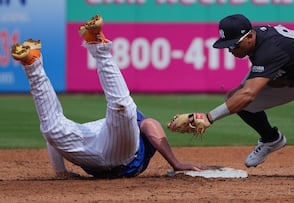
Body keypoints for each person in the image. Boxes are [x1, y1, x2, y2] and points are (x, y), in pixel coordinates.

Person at [10, 14, 204, 179]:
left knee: (53, 129)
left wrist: (61, 172)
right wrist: (176, 163)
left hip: (90, 149)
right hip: (116, 152)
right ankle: (96, 46)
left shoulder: (111, 125)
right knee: (123, 108)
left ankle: (33, 65)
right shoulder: (130, 126)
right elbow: (150, 124)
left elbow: (53, 140)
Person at [170, 14, 294, 178]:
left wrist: (209, 117)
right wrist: (237, 93)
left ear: (249, 37)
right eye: (227, 45)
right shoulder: (257, 43)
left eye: (233, 45)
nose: (230, 50)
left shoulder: (269, 48)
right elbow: (243, 93)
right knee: (235, 97)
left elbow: (249, 93)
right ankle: (271, 139)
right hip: (290, 78)